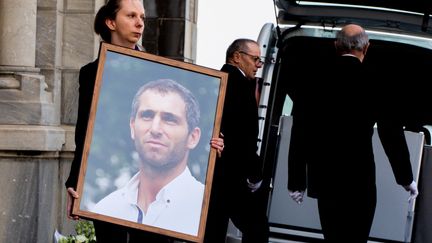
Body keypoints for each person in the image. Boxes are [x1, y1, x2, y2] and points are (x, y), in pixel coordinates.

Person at [64, 1, 223, 242]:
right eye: (131, 16)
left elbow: (191, 120)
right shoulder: (91, 73)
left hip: (161, 185)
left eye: (142, 17)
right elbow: (85, 130)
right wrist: (76, 182)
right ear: (111, 22)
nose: (140, 23)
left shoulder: (160, 71)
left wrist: (213, 141)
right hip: (113, 183)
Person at [287, 24, 419, 242]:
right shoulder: (377, 81)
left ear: (336, 45)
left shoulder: (315, 81)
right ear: (366, 48)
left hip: (326, 180)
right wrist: (406, 178)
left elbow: (301, 131)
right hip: (360, 180)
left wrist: (296, 181)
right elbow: (391, 132)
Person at [91, 79, 216, 236]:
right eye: (147, 115)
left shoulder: (207, 209)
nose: (155, 129)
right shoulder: (106, 209)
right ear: (132, 127)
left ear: (193, 137)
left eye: (169, 119)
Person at [204, 39, 270, 243]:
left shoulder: (216, 80)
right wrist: (255, 172)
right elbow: (245, 137)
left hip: (215, 173)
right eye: (255, 59)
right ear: (237, 57)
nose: (259, 65)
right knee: (258, 229)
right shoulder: (239, 85)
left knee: (214, 230)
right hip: (232, 174)